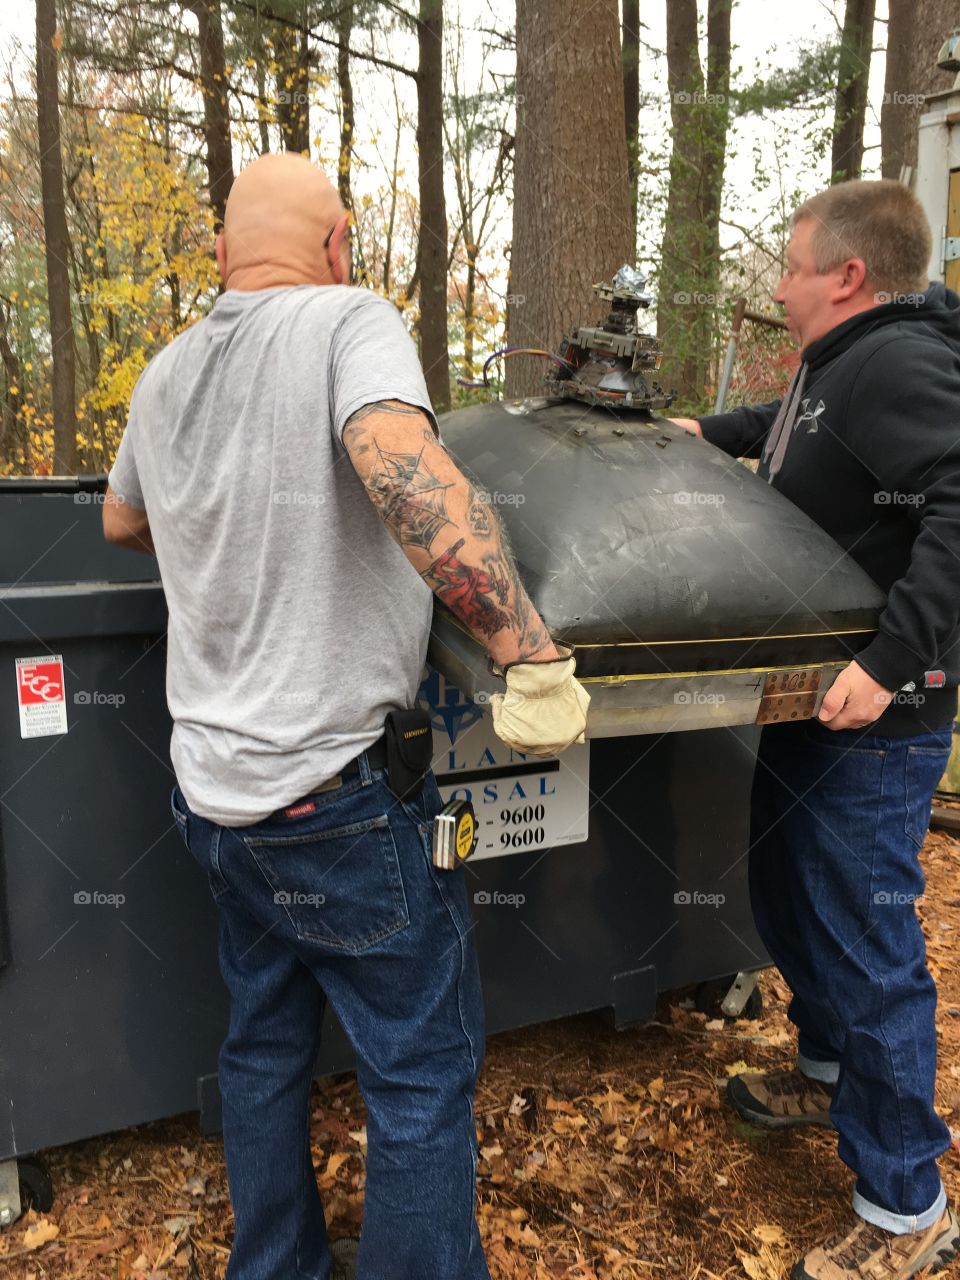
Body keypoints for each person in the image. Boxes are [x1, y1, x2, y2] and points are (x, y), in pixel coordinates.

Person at [102, 152, 588, 1280]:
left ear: (223, 254)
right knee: (418, 1073)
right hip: (335, 797)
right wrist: (528, 651)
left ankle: (273, 1264)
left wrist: (223, 520)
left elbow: (124, 520)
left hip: (215, 798)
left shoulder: (166, 370)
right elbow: (396, 459)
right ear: (337, 246)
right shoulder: (348, 317)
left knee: (264, 1049)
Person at [671, 178, 960, 1280]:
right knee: (792, 897)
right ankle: (831, 1070)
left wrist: (893, 662)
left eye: (790, 268)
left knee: (865, 939)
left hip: (875, 718)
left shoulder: (895, 361)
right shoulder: (845, 365)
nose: (778, 288)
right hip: (815, 698)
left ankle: (910, 1205)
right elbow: (812, 447)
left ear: (846, 276)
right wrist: (713, 432)